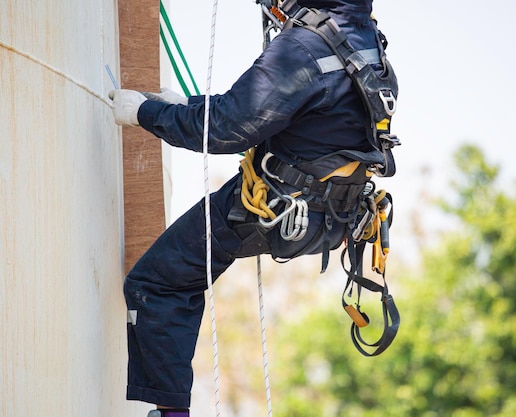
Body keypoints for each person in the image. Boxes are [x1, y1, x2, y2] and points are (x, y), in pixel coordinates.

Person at [109, 0, 397, 415]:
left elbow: (227, 128)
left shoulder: (302, 47)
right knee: (171, 275)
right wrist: (185, 105)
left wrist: (146, 113)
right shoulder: (365, 39)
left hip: (275, 209)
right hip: (333, 216)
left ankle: (171, 412)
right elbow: (286, 113)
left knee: (157, 282)